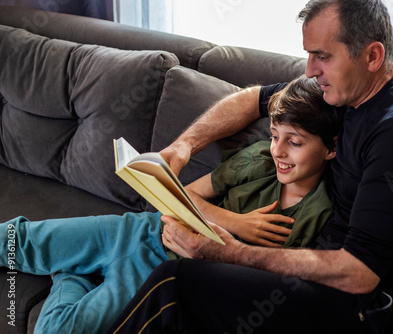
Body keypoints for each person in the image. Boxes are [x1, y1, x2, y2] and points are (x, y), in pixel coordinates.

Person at [108, 0, 393, 333]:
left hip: (379, 309)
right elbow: (254, 100)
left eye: (322, 56)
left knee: (175, 284)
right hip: (329, 273)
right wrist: (183, 146)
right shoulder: (343, 92)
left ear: (372, 56)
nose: (310, 70)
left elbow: (360, 274)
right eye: (309, 55)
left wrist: (227, 252)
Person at [0, 75, 341, 334]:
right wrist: (235, 223)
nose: (278, 150)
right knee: (16, 240)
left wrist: (228, 244)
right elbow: (184, 193)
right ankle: (75, 262)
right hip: (141, 229)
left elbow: (262, 286)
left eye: (294, 142)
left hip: (157, 273)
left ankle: (70, 271)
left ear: (330, 148)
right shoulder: (260, 161)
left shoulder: (317, 216)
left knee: (56, 329)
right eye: (273, 136)